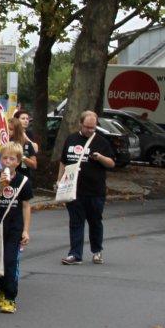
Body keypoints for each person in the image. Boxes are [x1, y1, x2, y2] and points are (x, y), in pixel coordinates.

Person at [59, 110, 116, 265]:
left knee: (95, 221)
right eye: (87, 127)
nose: (90, 130)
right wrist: (59, 181)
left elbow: (111, 163)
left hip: (95, 191)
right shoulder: (71, 139)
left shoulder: (101, 142)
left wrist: (101, 158)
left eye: (93, 127)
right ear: (80, 124)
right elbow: (63, 161)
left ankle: (97, 251)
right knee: (76, 222)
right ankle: (75, 254)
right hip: (73, 189)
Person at [0, 142, 33, 314]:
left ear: (18, 162)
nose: (8, 162)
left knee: (10, 260)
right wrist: (0, 187)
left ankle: (11, 297)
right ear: (0, 160)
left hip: (15, 227)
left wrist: (26, 230)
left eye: (12, 159)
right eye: (5, 158)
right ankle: (2, 289)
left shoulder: (23, 181)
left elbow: (26, 206)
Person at [9, 108, 39, 183]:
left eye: (27, 119)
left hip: (24, 177)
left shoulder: (27, 139)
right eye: (23, 118)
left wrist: (22, 156)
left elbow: (35, 150)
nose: (26, 121)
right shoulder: (6, 142)